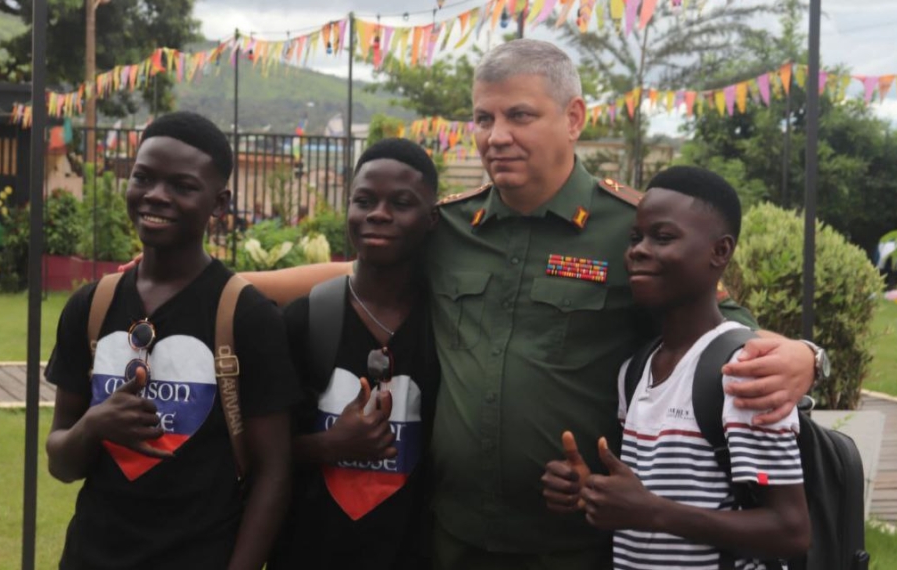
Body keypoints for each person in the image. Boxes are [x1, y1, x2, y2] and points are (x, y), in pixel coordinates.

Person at [120, 40, 822, 569]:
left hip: (574, 539)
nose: (495, 136)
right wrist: (214, 282)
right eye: (482, 118)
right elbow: (350, 268)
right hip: (452, 534)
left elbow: (712, 318)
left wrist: (801, 355)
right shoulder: (448, 223)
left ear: (573, 117)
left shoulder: (627, 229)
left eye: (520, 115)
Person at [44, 111, 299, 570]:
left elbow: (274, 472)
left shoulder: (248, 317)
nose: (156, 196)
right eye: (143, 177)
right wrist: (94, 424)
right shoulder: (90, 307)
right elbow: (61, 463)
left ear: (219, 204)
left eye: (182, 186)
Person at [551, 166, 809, 569]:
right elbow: (643, 497)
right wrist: (592, 491)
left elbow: (791, 530)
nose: (637, 250)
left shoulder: (741, 373)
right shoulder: (636, 371)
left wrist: (652, 512)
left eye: (663, 237)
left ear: (720, 252)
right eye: (635, 237)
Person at [269, 138, 441, 569]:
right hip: (308, 551)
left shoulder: (447, 329)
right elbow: (259, 453)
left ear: (431, 219)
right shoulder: (305, 321)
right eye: (363, 200)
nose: (378, 214)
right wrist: (330, 444)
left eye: (401, 203)